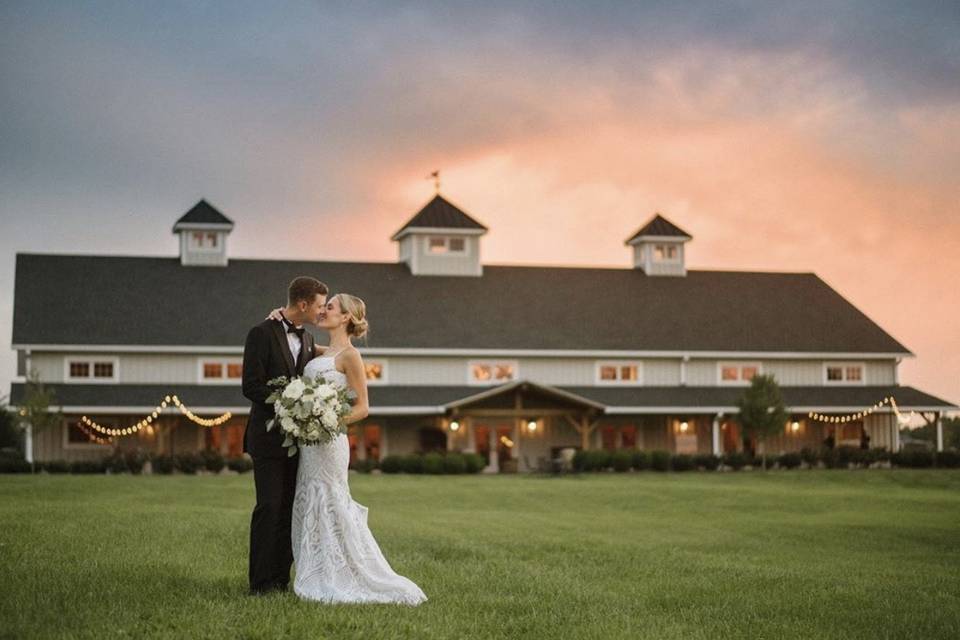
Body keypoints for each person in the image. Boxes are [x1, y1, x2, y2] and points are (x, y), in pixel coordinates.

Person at [267, 293, 428, 605]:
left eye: (330, 307)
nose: (323, 310)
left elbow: (363, 407)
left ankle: (343, 573)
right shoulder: (323, 350)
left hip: (330, 441)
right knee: (310, 497)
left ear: (345, 318)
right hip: (311, 443)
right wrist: (280, 316)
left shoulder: (351, 356)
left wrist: (326, 422)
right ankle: (316, 568)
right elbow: (293, 343)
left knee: (330, 500)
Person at [242, 276, 327, 595]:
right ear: (303, 304)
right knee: (269, 507)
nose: (321, 312)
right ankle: (260, 583)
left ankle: (281, 579)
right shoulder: (260, 333)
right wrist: (289, 403)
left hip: (298, 442)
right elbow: (250, 386)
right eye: (319, 306)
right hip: (267, 439)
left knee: (291, 508)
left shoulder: (306, 339)